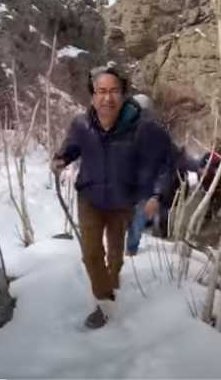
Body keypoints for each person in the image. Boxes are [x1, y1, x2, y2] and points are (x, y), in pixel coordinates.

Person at [51, 67, 173, 329]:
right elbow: (72, 147)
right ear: (93, 96)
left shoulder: (142, 129)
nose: (108, 98)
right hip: (90, 198)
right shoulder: (81, 124)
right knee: (91, 254)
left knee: (115, 256)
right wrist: (61, 158)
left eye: (114, 91)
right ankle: (104, 303)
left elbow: (162, 164)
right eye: (101, 91)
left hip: (122, 202)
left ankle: (112, 277)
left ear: (124, 94)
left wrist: (156, 195)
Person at [200, 138, 221, 221]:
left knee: (220, 200)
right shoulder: (207, 156)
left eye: (217, 146)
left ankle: (215, 212)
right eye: (212, 146)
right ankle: (208, 215)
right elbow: (200, 167)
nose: (214, 148)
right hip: (209, 183)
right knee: (209, 199)